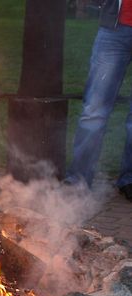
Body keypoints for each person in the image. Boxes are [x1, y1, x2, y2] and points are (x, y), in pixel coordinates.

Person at [65, 0, 132, 201]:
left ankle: (129, 180)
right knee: (94, 111)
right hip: (114, 31)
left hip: (114, 34)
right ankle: (78, 181)